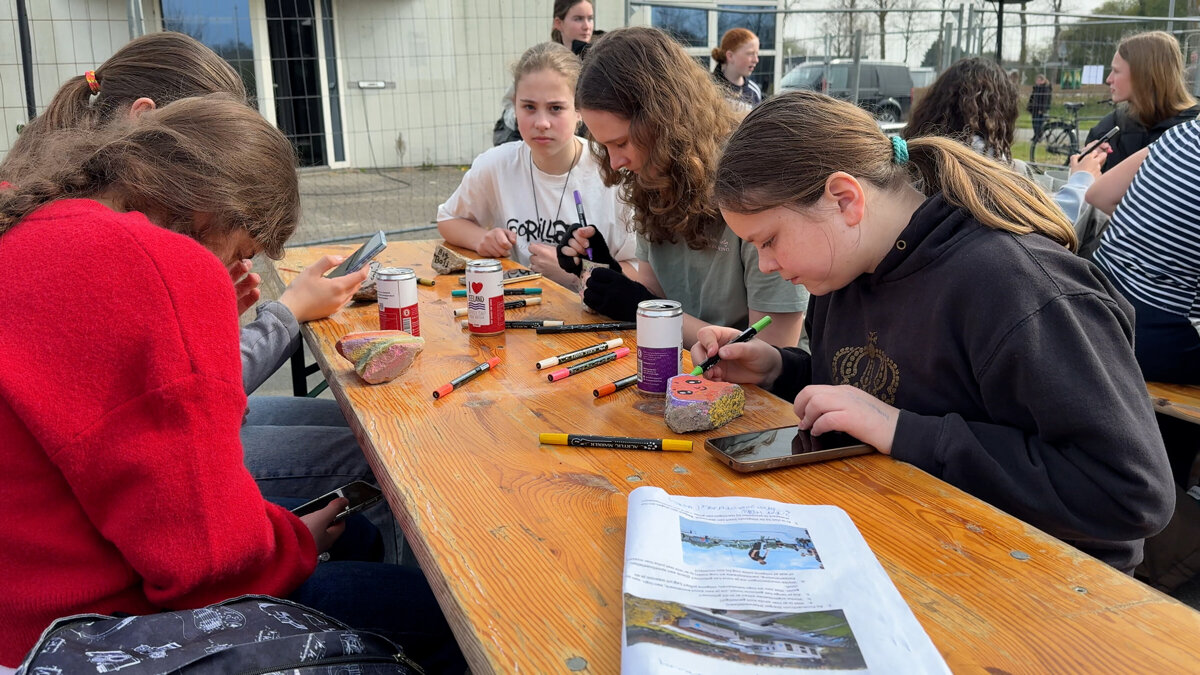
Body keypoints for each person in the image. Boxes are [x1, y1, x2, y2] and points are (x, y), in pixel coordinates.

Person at [0, 96, 464, 671]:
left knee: (357, 538)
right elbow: (205, 559)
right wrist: (294, 544)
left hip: (38, 591)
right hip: (88, 634)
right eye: (240, 251)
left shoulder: (41, 218)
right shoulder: (155, 264)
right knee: (441, 616)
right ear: (210, 212)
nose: (230, 271)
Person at [692, 90, 1173, 574]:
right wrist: (778, 368)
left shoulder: (1016, 286)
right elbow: (877, 389)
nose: (768, 265)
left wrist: (903, 432)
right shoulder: (841, 270)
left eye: (769, 241)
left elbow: (1131, 492)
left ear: (845, 199)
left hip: (1040, 581)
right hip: (909, 532)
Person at [0, 32, 404, 564]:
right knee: (371, 459)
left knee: (351, 440)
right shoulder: (141, 260)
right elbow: (190, 532)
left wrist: (206, 328)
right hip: (91, 575)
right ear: (149, 125)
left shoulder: (44, 210)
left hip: (73, 530)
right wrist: (273, 317)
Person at [568, 27, 808, 349]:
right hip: (684, 373)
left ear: (663, 120)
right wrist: (609, 277)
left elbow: (772, 349)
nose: (614, 163)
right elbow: (658, 297)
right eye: (604, 145)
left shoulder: (753, 178)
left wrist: (642, 309)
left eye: (622, 142)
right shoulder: (653, 178)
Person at [440, 41, 637, 290]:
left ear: (579, 110)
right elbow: (448, 219)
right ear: (514, 106)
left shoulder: (614, 171)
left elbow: (642, 271)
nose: (541, 122)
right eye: (529, 107)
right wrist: (482, 239)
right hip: (521, 308)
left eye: (555, 108)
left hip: (595, 319)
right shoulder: (496, 164)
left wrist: (575, 274)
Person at [904, 57, 1107, 225]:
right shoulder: (981, 163)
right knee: (1094, 216)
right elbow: (1049, 223)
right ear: (1000, 110)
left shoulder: (920, 153)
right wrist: (1082, 178)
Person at [1084, 31, 1198, 172]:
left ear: (1143, 75)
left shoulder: (1192, 131)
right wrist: (1088, 165)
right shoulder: (1109, 129)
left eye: (1116, 71)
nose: (1109, 79)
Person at [494, 0, 599, 145]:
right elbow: (509, 104)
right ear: (558, 23)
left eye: (590, 18)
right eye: (578, 19)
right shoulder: (540, 61)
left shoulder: (600, 61)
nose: (587, 26)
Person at [711, 27, 762, 110]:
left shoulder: (754, 91)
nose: (756, 60)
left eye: (756, 54)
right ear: (730, 56)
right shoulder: (708, 86)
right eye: (750, 54)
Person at [1028, 73, 1052, 142]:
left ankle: (1039, 136)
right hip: (1035, 108)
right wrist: (1030, 106)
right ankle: (1036, 135)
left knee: (1039, 123)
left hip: (1040, 109)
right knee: (1034, 123)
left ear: (1042, 80)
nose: (1037, 82)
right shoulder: (1036, 88)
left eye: (1038, 80)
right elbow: (1032, 97)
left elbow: (1045, 100)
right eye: (1036, 80)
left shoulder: (1046, 89)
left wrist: (1042, 109)